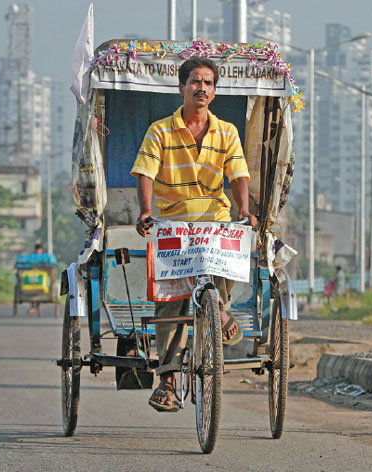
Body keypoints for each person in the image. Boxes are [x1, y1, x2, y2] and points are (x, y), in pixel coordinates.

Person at [131, 56, 257, 412]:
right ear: (182, 87)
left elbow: (238, 175)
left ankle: (220, 308)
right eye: (196, 82)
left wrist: (244, 210)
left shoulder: (227, 132)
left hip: (215, 221)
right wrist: (146, 210)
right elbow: (145, 173)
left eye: (208, 83)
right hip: (173, 222)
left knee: (231, 254)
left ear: (214, 91)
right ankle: (167, 379)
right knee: (170, 298)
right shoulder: (160, 130)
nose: (202, 88)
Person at [27, 242, 44, 315]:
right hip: (33, 276)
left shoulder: (43, 257)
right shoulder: (32, 257)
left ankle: (36, 306)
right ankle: (33, 306)